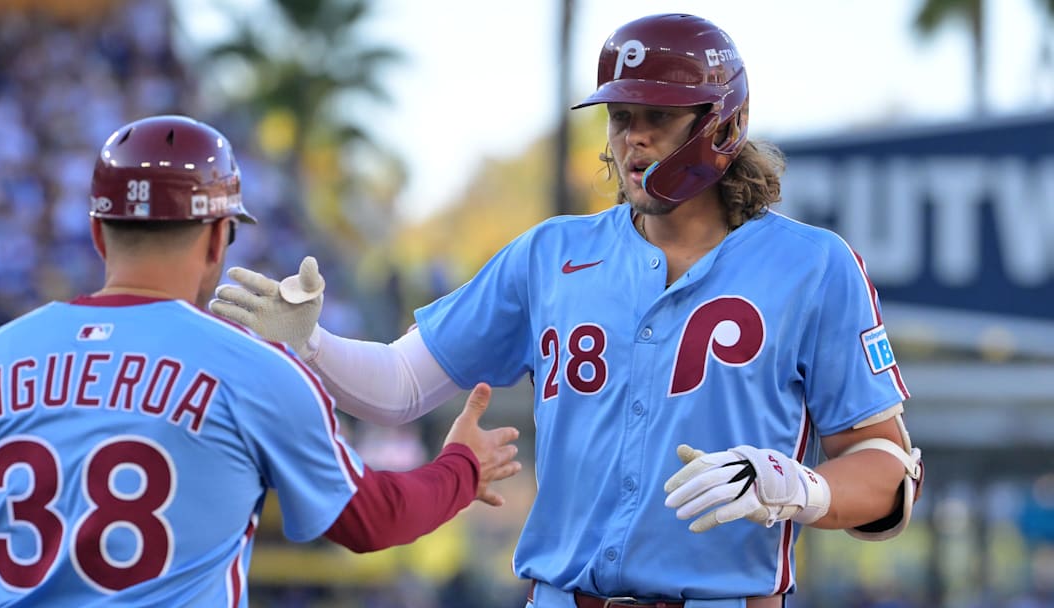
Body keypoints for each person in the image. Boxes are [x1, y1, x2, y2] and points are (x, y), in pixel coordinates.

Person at [210, 13, 924, 608]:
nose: (631, 138)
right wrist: (313, 346)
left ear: (721, 123)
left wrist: (797, 486)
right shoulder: (550, 253)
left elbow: (888, 472)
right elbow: (400, 388)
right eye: (621, 117)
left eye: (657, 118)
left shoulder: (815, 265)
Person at [0, 115, 521, 607]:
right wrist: (462, 468)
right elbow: (372, 519)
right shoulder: (256, 368)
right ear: (218, 238)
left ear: (97, 233)